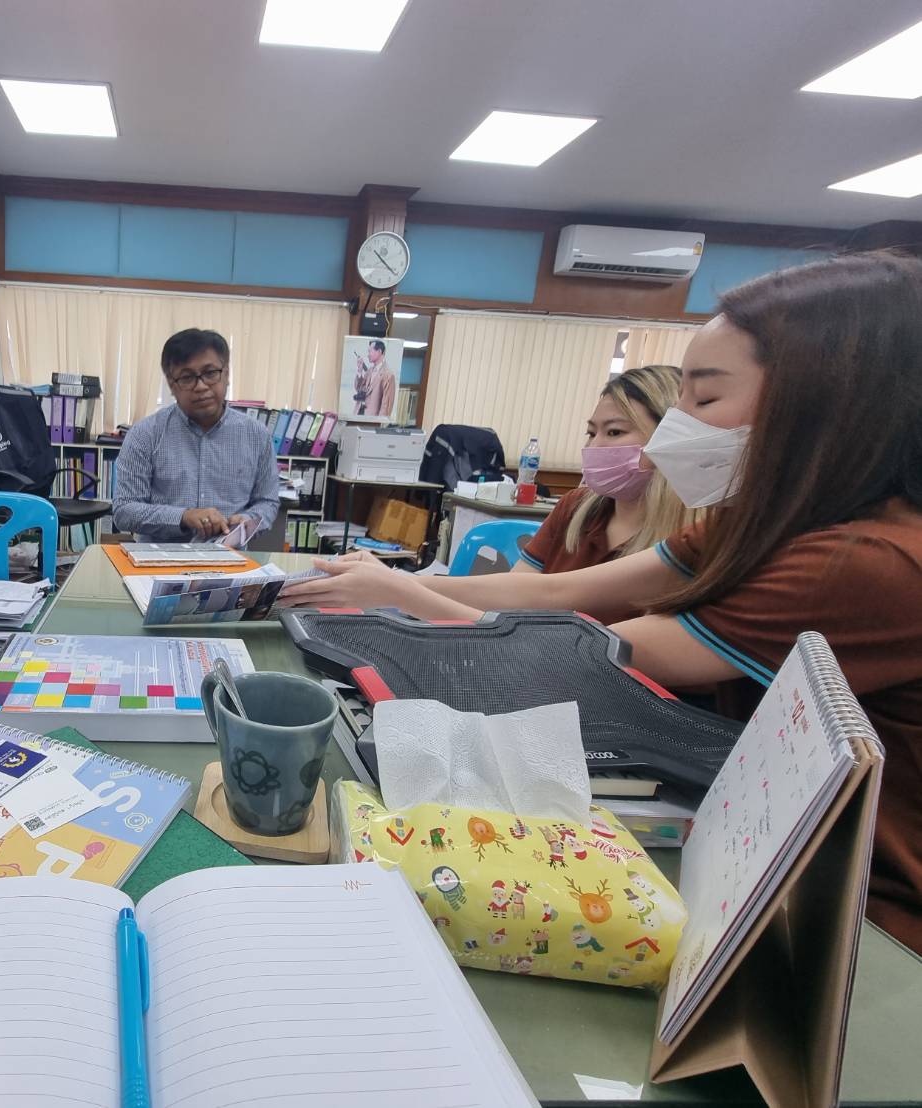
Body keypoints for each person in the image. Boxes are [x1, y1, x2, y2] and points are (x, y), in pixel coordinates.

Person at [282, 251, 922, 953]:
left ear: (826, 407)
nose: (677, 430)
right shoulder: (765, 521)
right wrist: (399, 583)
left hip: (854, 909)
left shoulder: (865, 563)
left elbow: (599, 657)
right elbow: (558, 591)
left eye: (705, 400)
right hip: (740, 832)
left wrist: (403, 590)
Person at [516, 363, 698, 583]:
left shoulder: (698, 537)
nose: (593, 446)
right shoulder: (574, 507)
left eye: (614, 432)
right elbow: (513, 589)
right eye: (591, 433)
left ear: (670, 438)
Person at [111, 328, 279, 542]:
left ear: (226, 375)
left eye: (210, 373)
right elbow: (124, 510)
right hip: (157, 557)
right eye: (187, 377)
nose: (200, 386)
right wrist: (183, 517)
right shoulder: (145, 434)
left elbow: (267, 502)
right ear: (171, 384)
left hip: (229, 556)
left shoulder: (257, 435)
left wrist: (249, 520)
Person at [353, 339, 397, 417]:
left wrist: (378, 422)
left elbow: (386, 406)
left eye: (370, 351)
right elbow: (359, 388)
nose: (368, 355)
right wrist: (360, 370)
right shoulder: (369, 371)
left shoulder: (389, 375)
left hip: (372, 419)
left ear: (379, 351)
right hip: (359, 414)